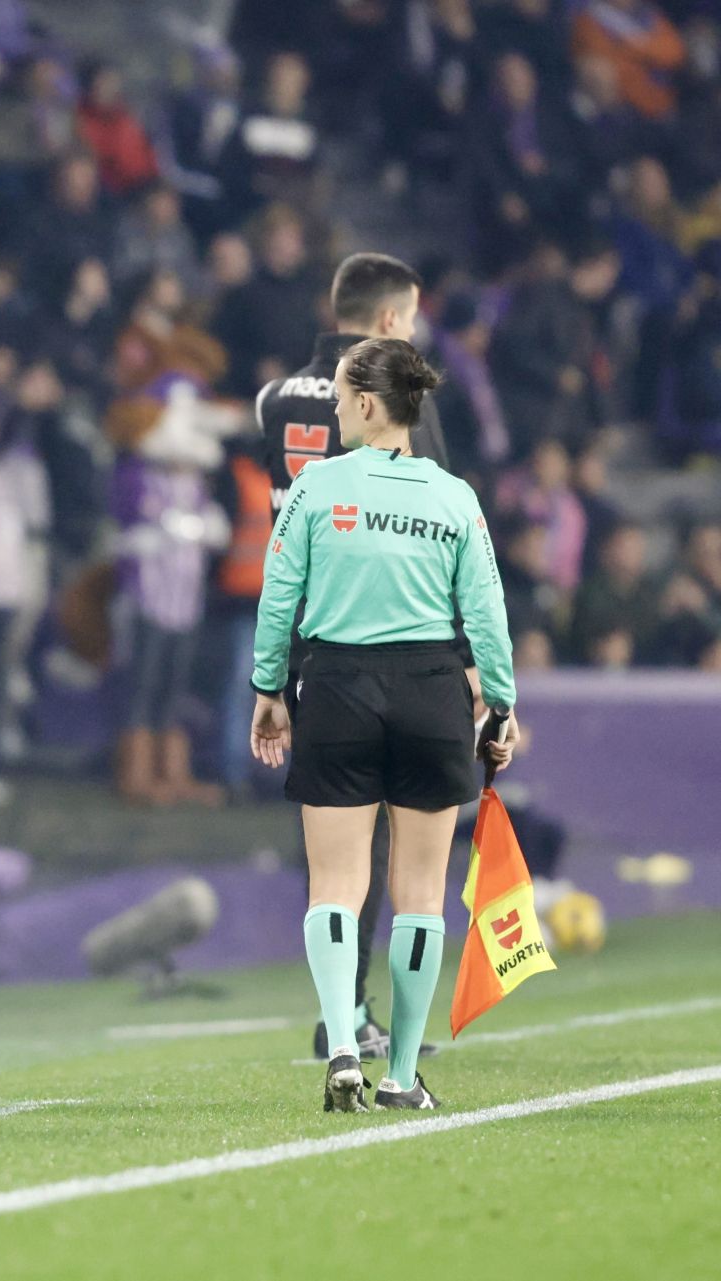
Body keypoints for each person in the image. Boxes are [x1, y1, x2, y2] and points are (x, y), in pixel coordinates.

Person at [250, 338, 518, 1113]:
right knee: (421, 894)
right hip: (433, 690)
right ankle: (401, 1072)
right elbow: (488, 617)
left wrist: (268, 686)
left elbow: (279, 595)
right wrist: (498, 704)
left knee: (336, 882)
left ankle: (341, 1043)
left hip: (335, 686)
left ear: (369, 404)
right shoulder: (455, 497)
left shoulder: (317, 486)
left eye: (338, 396)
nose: (334, 408)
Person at [257, 251, 472, 1062]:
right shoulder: (402, 397)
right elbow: (440, 516)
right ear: (388, 321)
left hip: (308, 636)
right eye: (410, 319)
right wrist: (478, 668)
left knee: (331, 844)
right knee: (395, 849)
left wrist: (266, 678)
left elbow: (281, 527)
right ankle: (358, 1026)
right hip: (394, 629)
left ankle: (340, 1018)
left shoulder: (273, 398)